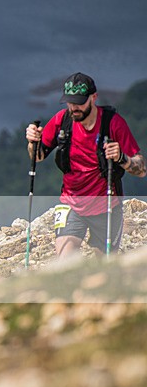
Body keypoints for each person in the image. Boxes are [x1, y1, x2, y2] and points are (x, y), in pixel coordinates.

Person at [26, 72, 145, 257]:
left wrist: (122, 158)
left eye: (79, 102)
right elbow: (38, 156)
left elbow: (141, 169)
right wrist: (32, 142)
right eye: (70, 102)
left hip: (106, 207)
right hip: (71, 204)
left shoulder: (113, 123)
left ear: (93, 97)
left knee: (103, 266)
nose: (74, 107)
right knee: (65, 261)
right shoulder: (62, 120)